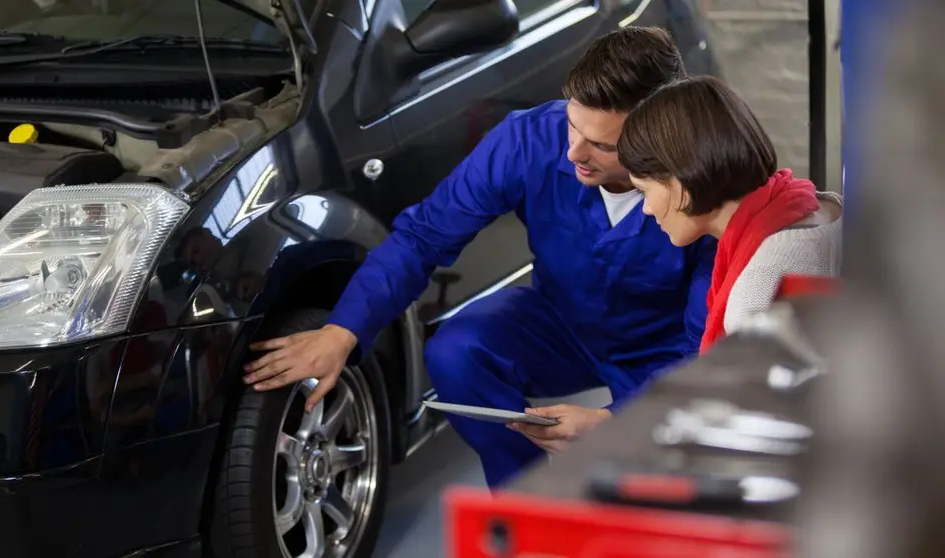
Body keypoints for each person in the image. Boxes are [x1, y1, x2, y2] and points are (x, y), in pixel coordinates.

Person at [243, 27, 717, 488]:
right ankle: (525, 501)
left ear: (657, 136)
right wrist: (344, 328)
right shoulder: (529, 141)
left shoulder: (709, 182)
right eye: (573, 125)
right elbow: (424, 236)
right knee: (457, 352)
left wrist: (613, 421)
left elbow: (707, 348)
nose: (574, 152)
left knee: (663, 493)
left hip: (666, 351)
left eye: (603, 145)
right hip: (560, 323)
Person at [617, 75, 843, 353]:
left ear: (681, 183)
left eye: (644, 191)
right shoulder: (829, 207)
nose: (647, 209)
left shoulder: (757, 294)